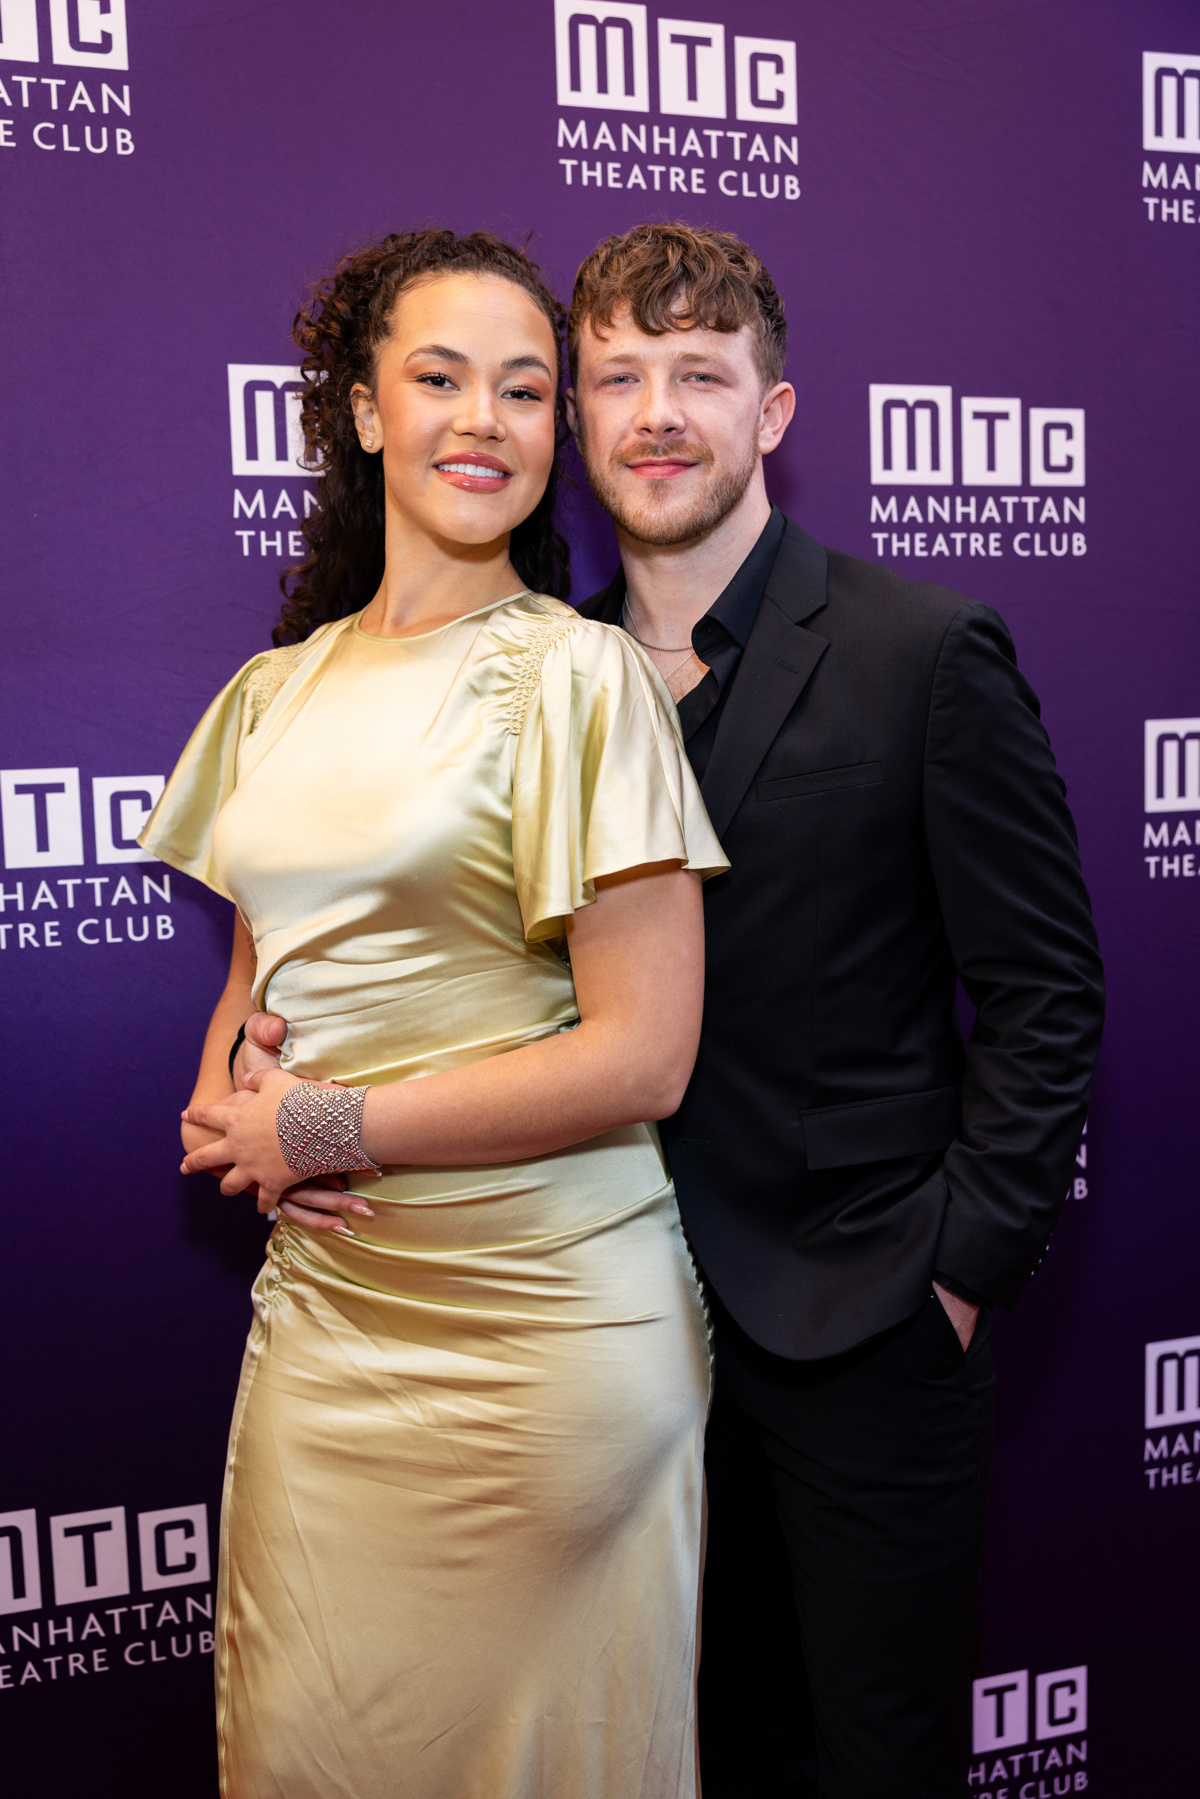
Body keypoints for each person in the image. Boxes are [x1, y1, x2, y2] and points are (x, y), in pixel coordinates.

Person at [232, 222, 1106, 1796]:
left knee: (878, 1762)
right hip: (598, 1333)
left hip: (857, 1327)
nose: (656, 416)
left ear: (773, 410)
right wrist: (289, 1090)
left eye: (699, 376)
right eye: (616, 378)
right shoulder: (538, 672)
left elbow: (1047, 991)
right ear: (575, 416)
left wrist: (959, 1274)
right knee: (686, 1758)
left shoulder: (919, 653)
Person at [141, 228, 727, 1799]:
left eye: (526, 391)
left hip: (544, 1342)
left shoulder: (582, 678)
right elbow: (261, 981)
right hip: (330, 1329)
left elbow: (645, 1056)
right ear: (365, 412)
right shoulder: (274, 693)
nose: (485, 420)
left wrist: (324, 1125)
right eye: (442, 379)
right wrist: (234, 1109)